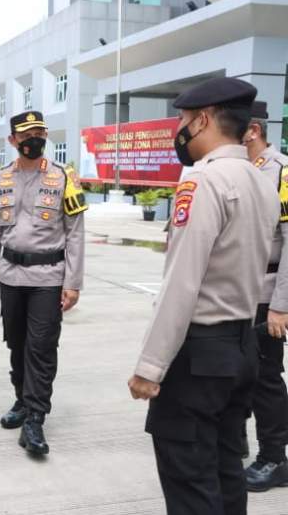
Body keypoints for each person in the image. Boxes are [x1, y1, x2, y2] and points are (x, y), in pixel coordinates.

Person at [128, 77, 278, 515]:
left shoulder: (204, 182)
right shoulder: (261, 182)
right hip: (241, 347)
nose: (179, 130)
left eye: (182, 120)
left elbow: (182, 282)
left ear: (204, 120)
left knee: (191, 484)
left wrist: (149, 367)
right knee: (227, 472)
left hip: (199, 357)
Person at [0, 110, 86, 456]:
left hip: (48, 278)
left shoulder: (64, 177)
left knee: (41, 346)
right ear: (13, 141)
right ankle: (22, 400)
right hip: (11, 276)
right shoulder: (1, 178)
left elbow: (75, 233)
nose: (33, 140)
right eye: (26, 135)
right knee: (17, 343)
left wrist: (73, 282)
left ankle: (36, 417)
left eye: (39, 133)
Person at [241, 100, 288, 492]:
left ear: (253, 130)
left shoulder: (282, 172)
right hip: (233, 294)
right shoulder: (235, 169)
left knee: (265, 379)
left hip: (265, 295)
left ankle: (274, 458)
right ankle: (235, 440)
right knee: (232, 373)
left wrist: (280, 306)